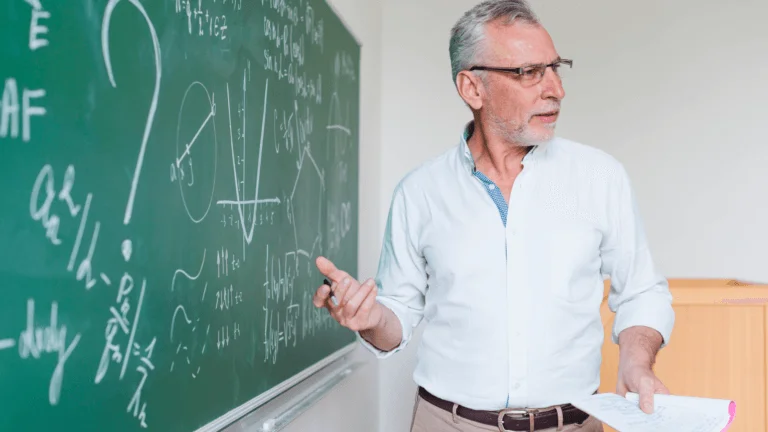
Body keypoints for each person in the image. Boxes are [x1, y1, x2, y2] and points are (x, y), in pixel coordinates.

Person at [313, 1, 675, 431]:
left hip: (575, 423)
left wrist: (637, 363)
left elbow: (640, 292)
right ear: (472, 89)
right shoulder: (419, 192)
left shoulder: (601, 177)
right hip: (447, 423)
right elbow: (398, 315)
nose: (556, 88)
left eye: (556, 67)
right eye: (529, 72)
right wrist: (371, 320)